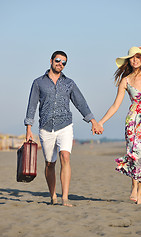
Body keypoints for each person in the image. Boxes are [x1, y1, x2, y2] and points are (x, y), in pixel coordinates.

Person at [24, 50, 103, 206]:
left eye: (64, 62)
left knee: (65, 157)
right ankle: (53, 195)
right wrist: (28, 129)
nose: (60, 64)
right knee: (49, 163)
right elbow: (32, 105)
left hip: (65, 125)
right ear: (51, 60)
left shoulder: (69, 83)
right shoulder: (38, 82)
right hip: (45, 127)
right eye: (58, 60)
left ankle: (64, 198)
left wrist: (93, 121)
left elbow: (80, 102)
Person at [97, 46, 141, 204]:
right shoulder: (126, 80)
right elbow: (115, 105)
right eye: (132, 57)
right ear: (128, 60)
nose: (135, 60)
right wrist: (101, 121)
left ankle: (140, 194)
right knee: (135, 154)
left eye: (138, 57)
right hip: (133, 122)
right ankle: (133, 188)